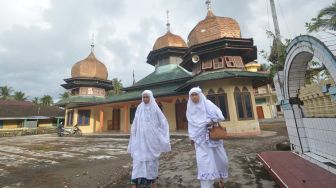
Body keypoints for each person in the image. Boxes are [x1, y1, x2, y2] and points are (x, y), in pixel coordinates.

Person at [127, 90, 171, 188]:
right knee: (138, 159)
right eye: (144, 97)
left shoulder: (155, 108)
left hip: (152, 140)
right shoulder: (139, 107)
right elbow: (135, 121)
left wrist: (159, 132)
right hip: (140, 139)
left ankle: (153, 182)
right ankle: (134, 181)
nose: (145, 99)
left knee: (151, 161)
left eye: (147, 97)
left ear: (151, 97)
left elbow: (163, 121)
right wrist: (133, 133)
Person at [186, 87, 228, 188]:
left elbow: (220, 116)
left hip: (213, 138)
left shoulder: (208, 104)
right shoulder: (190, 108)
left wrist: (211, 121)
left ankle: (221, 180)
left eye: (196, 94)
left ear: (200, 95)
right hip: (200, 141)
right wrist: (191, 137)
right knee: (203, 163)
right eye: (192, 95)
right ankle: (207, 185)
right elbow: (190, 124)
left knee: (221, 160)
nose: (194, 97)